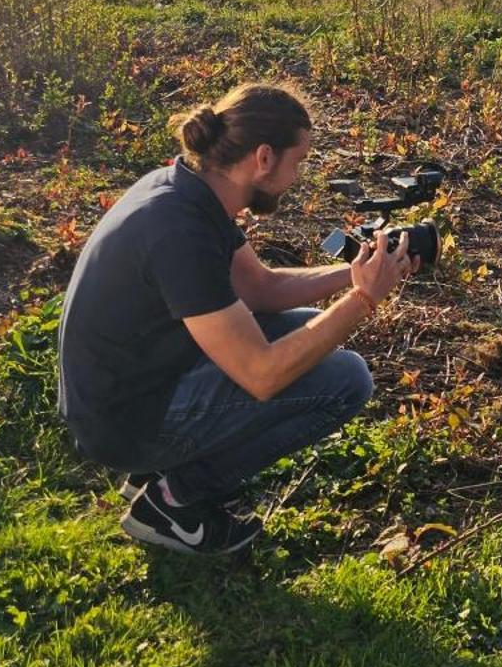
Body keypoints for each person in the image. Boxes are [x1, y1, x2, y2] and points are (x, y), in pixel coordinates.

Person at [57, 82, 417, 555]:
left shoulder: (184, 188)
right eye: (298, 163)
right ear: (263, 159)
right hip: (124, 424)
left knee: (304, 324)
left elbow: (262, 289)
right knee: (346, 379)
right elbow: (262, 375)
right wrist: (363, 301)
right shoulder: (180, 234)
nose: (297, 177)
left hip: (131, 387)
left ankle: (161, 474)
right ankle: (174, 501)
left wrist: (359, 272)